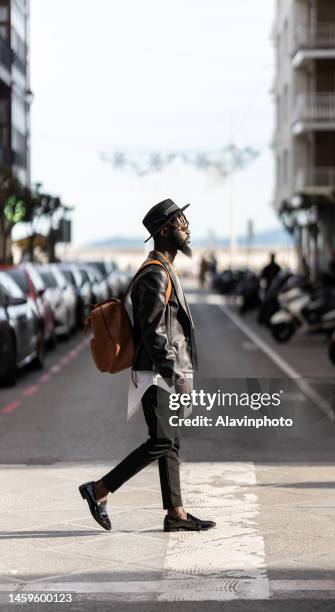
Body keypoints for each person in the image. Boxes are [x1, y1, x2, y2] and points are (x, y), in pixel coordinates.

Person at [79, 199, 216, 533]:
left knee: (170, 440)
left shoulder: (163, 269)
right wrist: (174, 374)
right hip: (156, 375)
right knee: (160, 441)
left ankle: (176, 514)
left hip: (162, 373)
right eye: (181, 223)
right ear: (165, 231)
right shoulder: (154, 274)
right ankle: (99, 489)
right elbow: (153, 332)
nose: (187, 229)